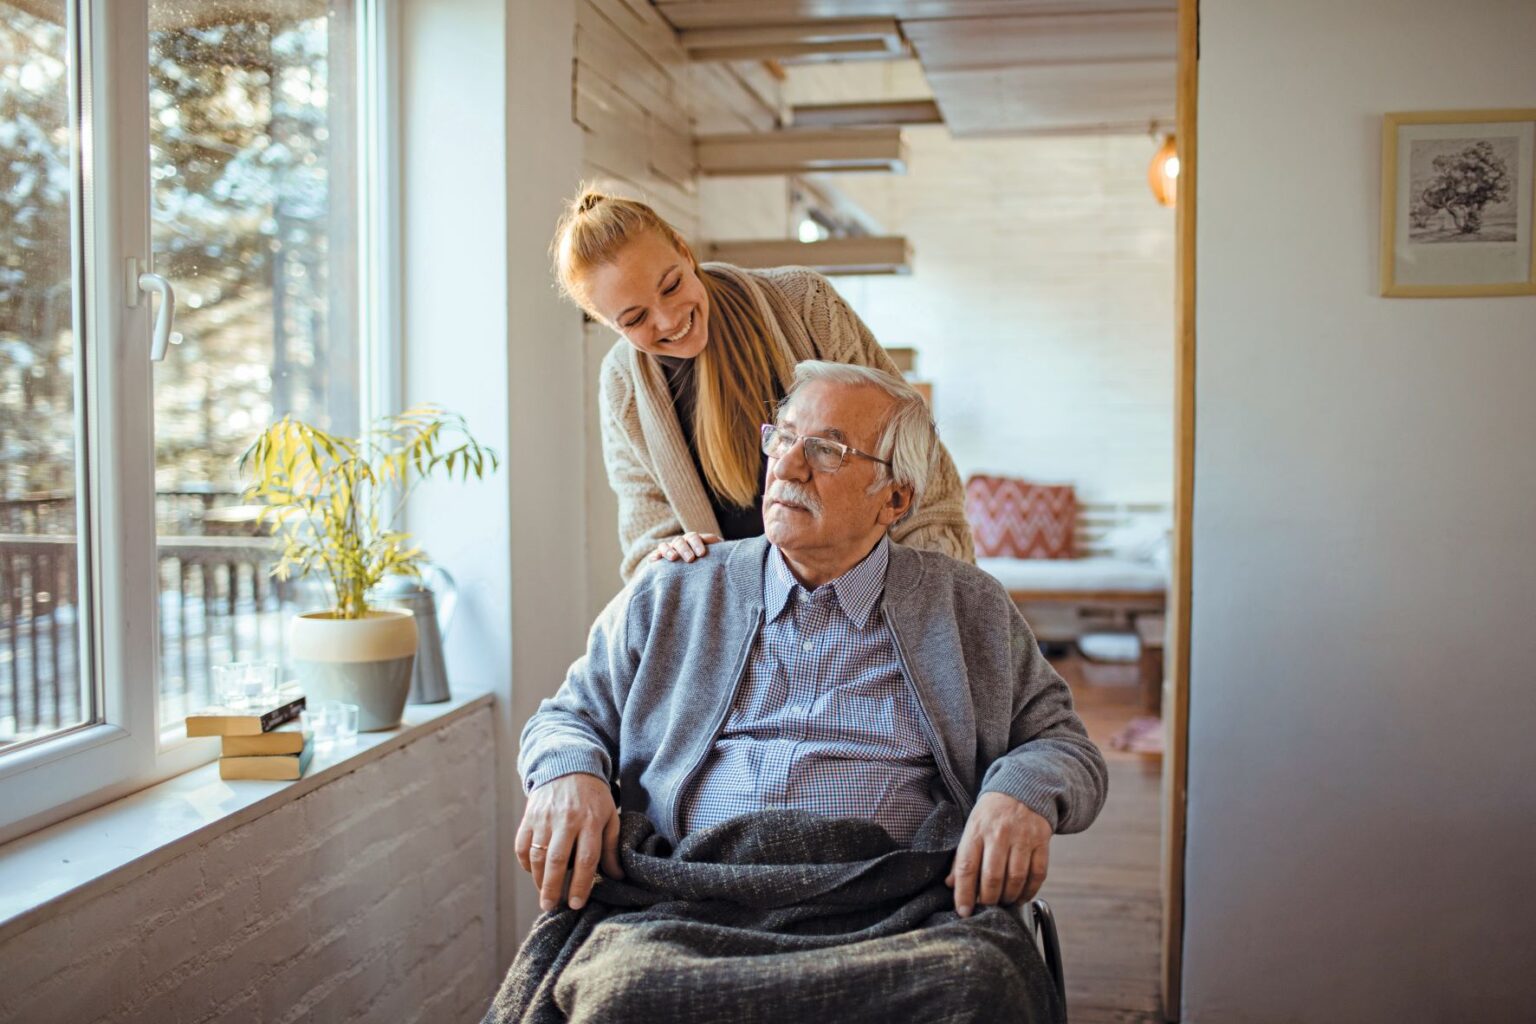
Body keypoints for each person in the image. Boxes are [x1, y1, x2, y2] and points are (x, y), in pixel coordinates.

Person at [516, 361, 1107, 922]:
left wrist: (1020, 794)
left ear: (895, 499)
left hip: (898, 902)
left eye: (826, 450)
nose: (788, 467)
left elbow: (1063, 745)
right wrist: (570, 773)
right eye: (783, 438)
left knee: (975, 987)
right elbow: (568, 717)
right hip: (688, 892)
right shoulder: (676, 588)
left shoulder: (966, 606)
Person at [551, 188, 976, 581]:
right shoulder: (623, 383)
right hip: (752, 625)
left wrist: (929, 593)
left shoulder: (804, 304)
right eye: (635, 319)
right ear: (608, 323)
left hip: (872, 593)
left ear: (683, 249)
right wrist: (668, 556)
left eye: (672, 285)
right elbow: (647, 538)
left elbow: (922, 467)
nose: (668, 319)